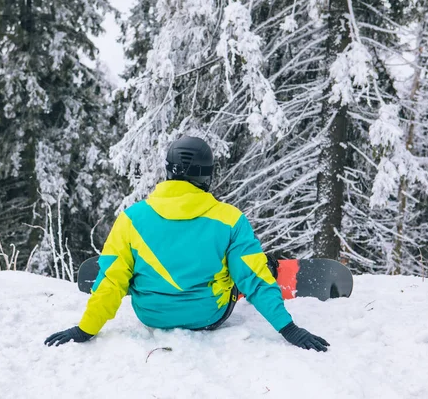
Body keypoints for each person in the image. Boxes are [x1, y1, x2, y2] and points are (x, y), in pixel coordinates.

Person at [45, 136, 329, 352]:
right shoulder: (230, 219)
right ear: (207, 174)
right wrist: (288, 329)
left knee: (120, 271)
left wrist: (85, 329)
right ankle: (266, 267)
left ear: (169, 171)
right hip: (209, 316)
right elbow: (253, 280)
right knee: (250, 269)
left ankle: (146, 276)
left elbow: (109, 284)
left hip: (151, 316)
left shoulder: (131, 218)